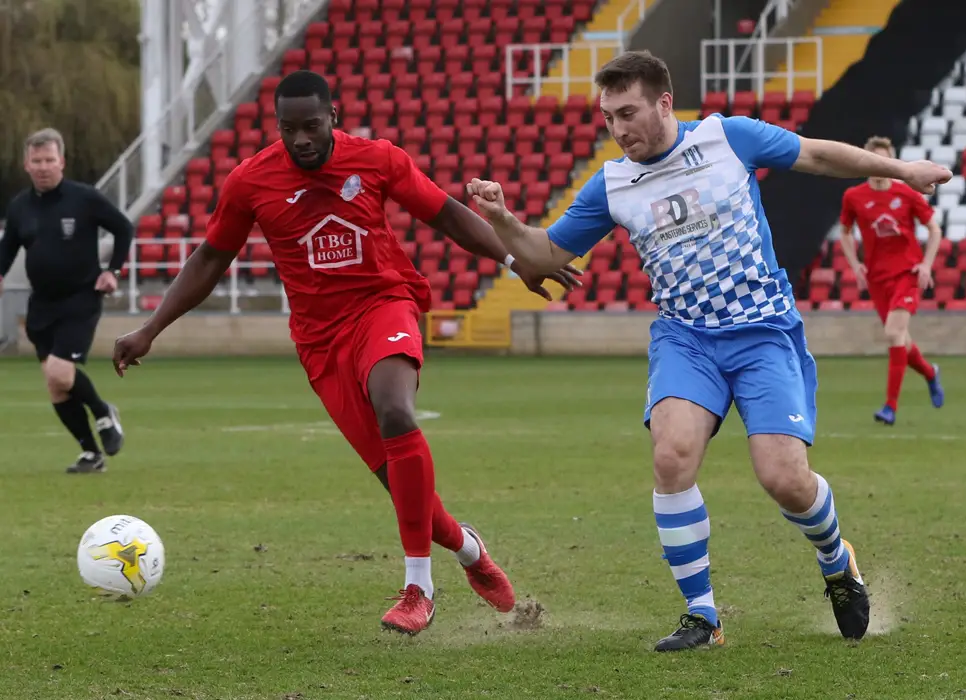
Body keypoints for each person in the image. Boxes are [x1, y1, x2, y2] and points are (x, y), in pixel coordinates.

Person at [467, 50, 952, 651]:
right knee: (671, 457)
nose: (618, 129)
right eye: (607, 117)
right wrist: (503, 220)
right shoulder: (613, 181)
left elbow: (817, 154)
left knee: (784, 479)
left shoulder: (728, 137)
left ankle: (836, 558)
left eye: (628, 112)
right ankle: (703, 617)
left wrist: (901, 169)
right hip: (686, 338)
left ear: (664, 103)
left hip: (762, 331)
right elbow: (543, 256)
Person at [111, 70, 582, 636]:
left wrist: (515, 260)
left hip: (385, 303)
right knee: (402, 485)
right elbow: (211, 259)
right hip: (320, 341)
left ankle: (418, 589)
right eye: (289, 129)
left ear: (332, 117)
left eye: (311, 126)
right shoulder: (250, 182)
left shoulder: (378, 159)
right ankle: (469, 550)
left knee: (395, 409)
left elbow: (446, 213)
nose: (302, 140)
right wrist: (151, 328)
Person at [0, 128, 130, 474]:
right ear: (27, 164)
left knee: (61, 371)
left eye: (50, 160)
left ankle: (104, 412)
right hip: (41, 303)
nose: (44, 166)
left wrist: (112, 270)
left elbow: (123, 227)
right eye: (37, 160)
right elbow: (8, 247)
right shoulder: (20, 207)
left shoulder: (84, 198)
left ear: (62, 162)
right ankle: (91, 454)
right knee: (56, 386)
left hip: (81, 298)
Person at [839, 136, 945, 425]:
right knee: (900, 339)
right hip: (877, 278)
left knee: (893, 334)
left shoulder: (907, 193)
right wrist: (856, 265)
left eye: (885, 160)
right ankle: (931, 373)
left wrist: (925, 264)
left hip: (907, 275)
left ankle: (890, 407)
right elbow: (845, 232)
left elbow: (934, 230)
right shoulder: (854, 197)